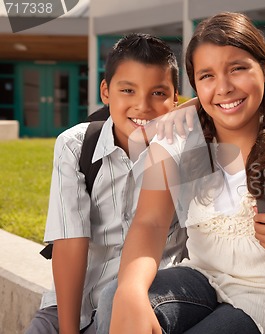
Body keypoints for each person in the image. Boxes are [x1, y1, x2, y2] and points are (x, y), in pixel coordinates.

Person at [100, 12, 265, 334]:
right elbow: (150, 222)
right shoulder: (178, 140)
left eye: (237, 68)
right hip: (203, 279)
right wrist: (131, 289)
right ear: (196, 86)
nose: (223, 87)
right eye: (207, 76)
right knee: (117, 296)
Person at [25, 33, 189, 334]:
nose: (142, 106)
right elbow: (70, 242)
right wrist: (69, 330)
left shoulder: (185, 152)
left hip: (145, 299)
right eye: (128, 90)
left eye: (158, 93)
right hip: (74, 304)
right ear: (106, 91)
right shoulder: (76, 146)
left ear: (175, 98)